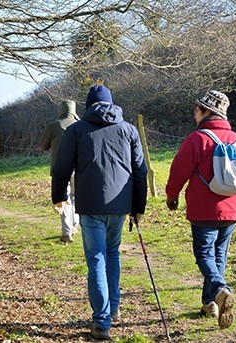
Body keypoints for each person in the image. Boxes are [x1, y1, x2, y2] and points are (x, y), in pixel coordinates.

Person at [51, 85, 147, 341]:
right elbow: (140, 171)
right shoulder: (128, 129)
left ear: (89, 105)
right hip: (120, 204)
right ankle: (112, 308)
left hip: (91, 205)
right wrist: (139, 206)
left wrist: (59, 196)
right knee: (112, 253)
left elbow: (61, 168)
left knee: (96, 259)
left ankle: (102, 322)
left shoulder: (76, 130)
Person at [165, 90, 236, 330]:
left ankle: (219, 291)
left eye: (198, 109)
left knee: (205, 255)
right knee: (219, 256)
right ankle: (209, 303)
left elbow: (178, 172)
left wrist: (172, 196)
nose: (194, 113)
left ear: (207, 112)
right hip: (232, 211)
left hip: (203, 210)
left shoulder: (197, 139)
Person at [40, 99, 80, 243]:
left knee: (63, 200)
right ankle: (75, 225)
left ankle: (66, 233)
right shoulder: (80, 126)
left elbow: (43, 146)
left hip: (59, 170)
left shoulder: (53, 127)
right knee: (76, 198)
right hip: (79, 169)